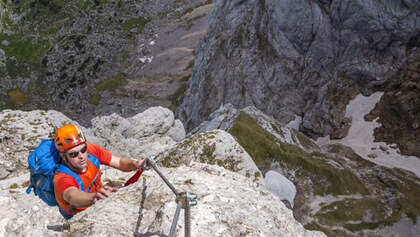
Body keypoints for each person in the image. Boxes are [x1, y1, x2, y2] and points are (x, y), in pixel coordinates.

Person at [53, 124, 144, 218]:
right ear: (63, 157)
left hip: (98, 198)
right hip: (79, 216)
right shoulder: (61, 177)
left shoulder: (92, 152)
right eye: (74, 154)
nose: (81, 156)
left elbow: (119, 162)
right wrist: (93, 197)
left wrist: (135, 164)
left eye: (84, 149)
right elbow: (71, 195)